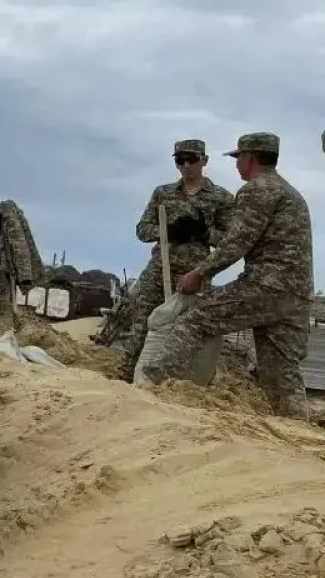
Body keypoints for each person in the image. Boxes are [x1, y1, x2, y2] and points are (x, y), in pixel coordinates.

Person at [140, 133, 313, 418]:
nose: (236, 165)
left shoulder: (257, 189)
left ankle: (155, 390)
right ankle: (296, 432)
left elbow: (237, 242)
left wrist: (199, 272)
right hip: (297, 296)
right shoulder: (291, 193)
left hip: (266, 286)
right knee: (281, 372)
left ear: (251, 158)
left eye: (238, 158)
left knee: (193, 320)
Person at [114, 140, 235, 381]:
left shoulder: (221, 198)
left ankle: (180, 383)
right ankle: (126, 377)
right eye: (180, 160)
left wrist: (204, 233)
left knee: (189, 327)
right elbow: (142, 230)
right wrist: (167, 230)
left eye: (192, 160)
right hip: (161, 268)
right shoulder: (163, 193)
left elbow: (232, 239)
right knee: (143, 322)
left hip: (196, 272)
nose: (186, 165)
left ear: (204, 160)